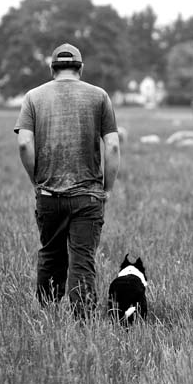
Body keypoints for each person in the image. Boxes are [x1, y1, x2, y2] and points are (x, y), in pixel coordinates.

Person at [13, 43, 121, 318]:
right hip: (88, 195)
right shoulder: (99, 96)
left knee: (51, 256)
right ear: (80, 68)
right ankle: (83, 323)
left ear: (52, 69)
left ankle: (48, 318)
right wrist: (105, 188)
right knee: (82, 260)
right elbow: (113, 146)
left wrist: (36, 180)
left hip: (48, 194)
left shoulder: (33, 97)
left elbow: (24, 143)